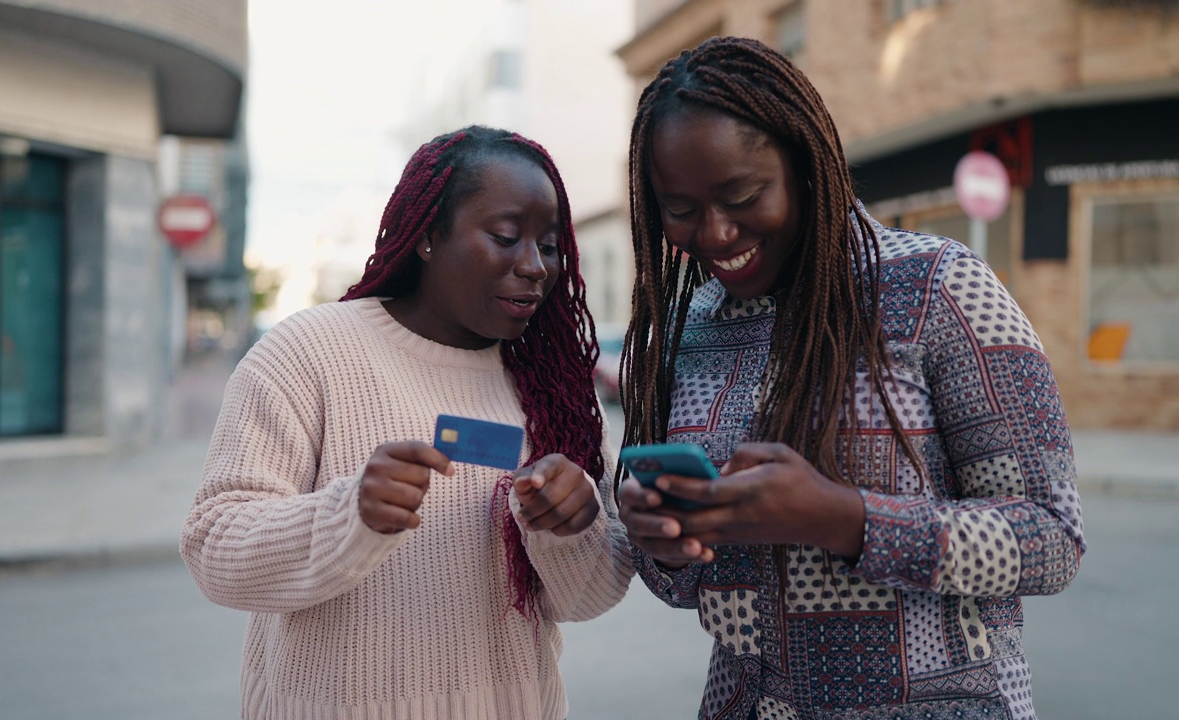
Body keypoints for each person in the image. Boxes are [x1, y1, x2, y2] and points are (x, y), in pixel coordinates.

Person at [615, 36, 1086, 719]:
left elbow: (1052, 540)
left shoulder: (936, 286)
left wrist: (845, 519)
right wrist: (664, 542)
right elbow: (683, 589)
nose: (715, 233)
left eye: (742, 194)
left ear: (806, 167)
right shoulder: (687, 328)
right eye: (680, 209)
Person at [181, 125, 633, 720]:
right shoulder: (308, 354)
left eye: (548, 246)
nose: (533, 266)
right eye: (504, 237)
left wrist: (571, 528)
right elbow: (215, 551)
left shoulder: (559, 390)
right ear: (426, 235)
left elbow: (590, 597)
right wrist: (350, 513)